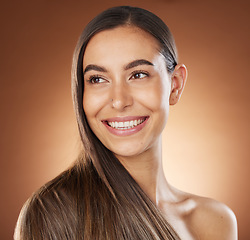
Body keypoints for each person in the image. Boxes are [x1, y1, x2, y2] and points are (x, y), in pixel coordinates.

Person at [14, 6, 237, 240]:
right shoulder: (50, 214)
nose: (119, 101)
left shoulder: (217, 222)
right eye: (98, 79)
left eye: (138, 75)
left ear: (175, 85)